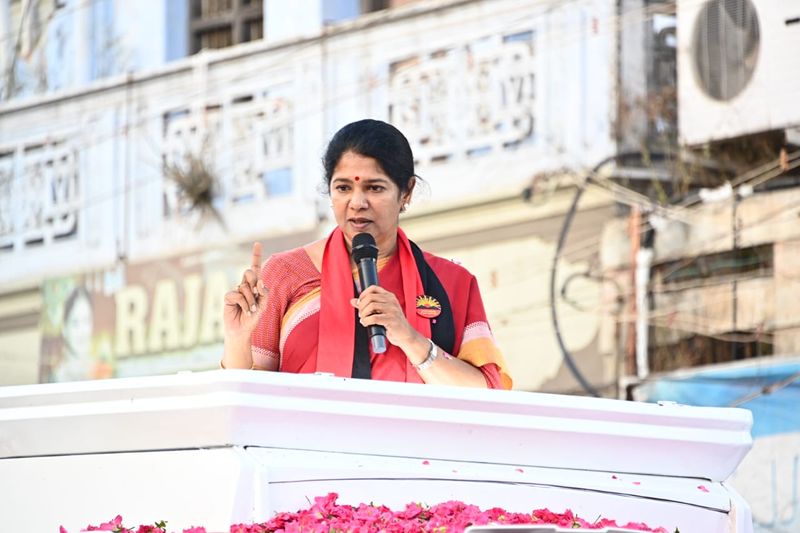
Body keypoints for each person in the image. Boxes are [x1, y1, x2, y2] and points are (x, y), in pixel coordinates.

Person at [222, 119, 511, 389]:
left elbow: (486, 392)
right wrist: (237, 338)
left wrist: (410, 338)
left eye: (374, 188)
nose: (357, 202)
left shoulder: (451, 282)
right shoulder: (286, 273)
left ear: (406, 192)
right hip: (309, 430)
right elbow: (249, 395)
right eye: (343, 187)